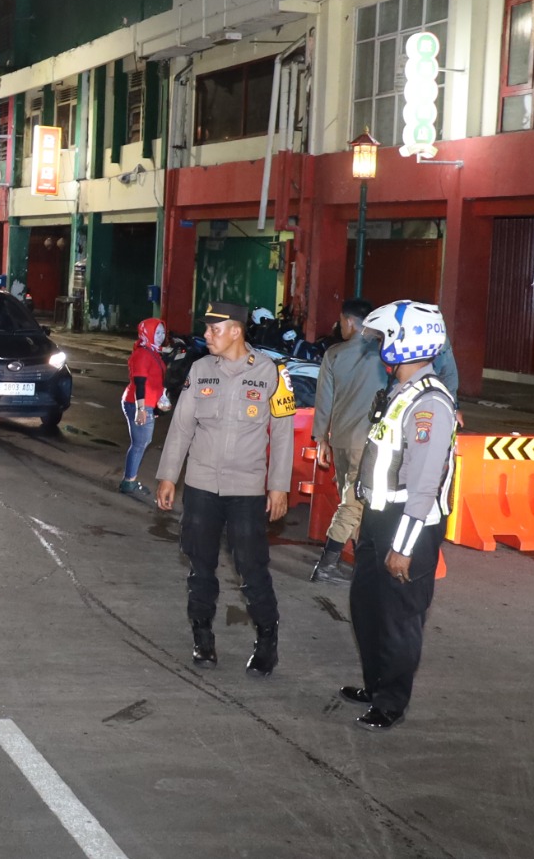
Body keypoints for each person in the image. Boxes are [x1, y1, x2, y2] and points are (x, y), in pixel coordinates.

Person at [155, 302, 295, 676]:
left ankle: (267, 641)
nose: (207, 335)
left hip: (247, 488)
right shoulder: (199, 370)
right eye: (207, 329)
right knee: (200, 565)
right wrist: (169, 475)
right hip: (201, 485)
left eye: (215, 330)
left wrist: (279, 486)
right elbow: (182, 427)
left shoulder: (272, 373)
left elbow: (282, 435)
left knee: (252, 568)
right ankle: (202, 637)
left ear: (236, 331)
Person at [342, 300, 457, 732]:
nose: (378, 345)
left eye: (384, 337)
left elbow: (425, 484)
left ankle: (391, 701)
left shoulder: (430, 405)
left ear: (406, 341)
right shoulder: (399, 394)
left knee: (399, 616)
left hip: (411, 524)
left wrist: (403, 547)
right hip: (379, 515)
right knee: (367, 605)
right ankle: (375, 685)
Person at [310, 298, 382, 585]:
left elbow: (323, 399)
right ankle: (326, 566)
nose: (340, 327)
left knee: (352, 501)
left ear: (351, 322)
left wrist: (320, 439)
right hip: (366, 442)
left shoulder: (334, 354)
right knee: (354, 505)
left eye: (341, 322)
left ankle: (361, 566)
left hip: (339, 439)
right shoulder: (383, 354)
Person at [120, 317, 169, 497]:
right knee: (140, 443)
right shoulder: (142, 354)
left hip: (147, 403)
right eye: (157, 332)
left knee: (142, 442)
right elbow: (139, 383)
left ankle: (129, 480)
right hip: (138, 403)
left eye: (162, 332)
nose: (161, 336)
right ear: (146, 333)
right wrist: (141, 410)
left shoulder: (152, 351)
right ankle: (129, 482)